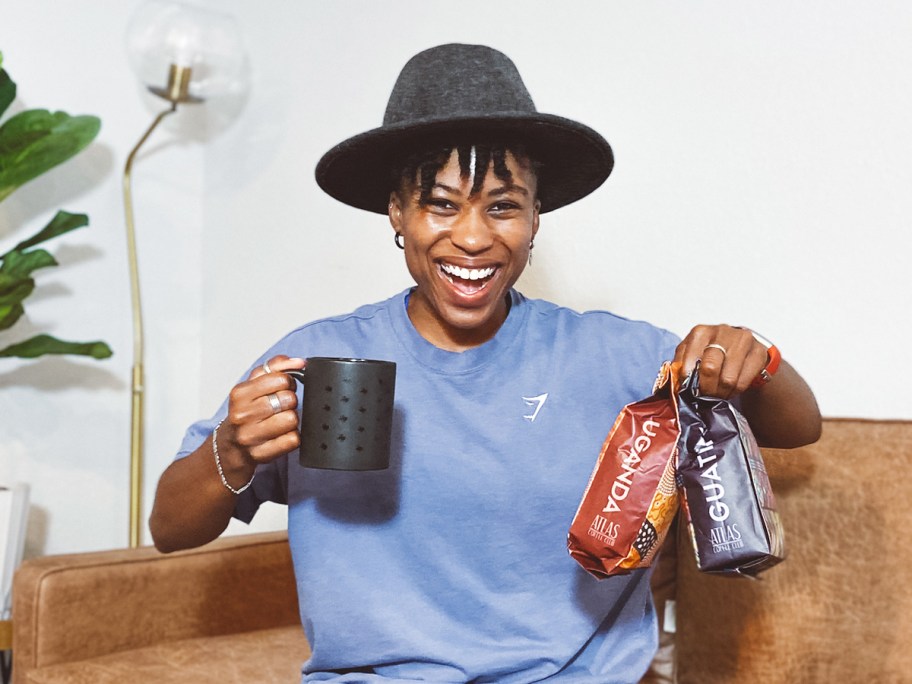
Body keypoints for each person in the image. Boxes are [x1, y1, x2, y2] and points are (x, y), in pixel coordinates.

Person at [149, 43, 821, 683]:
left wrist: (757, 358)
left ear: (534, 221)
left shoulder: (605, 355)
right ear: (398, 214)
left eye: (502, 207)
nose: (472, 238)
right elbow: (170, 529)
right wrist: (230, 454)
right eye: (441, 204)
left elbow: (799, 427)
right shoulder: (323, 360)